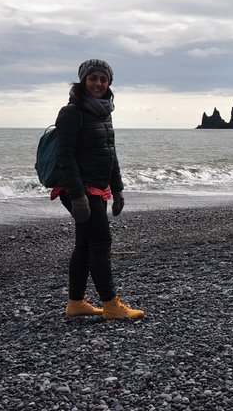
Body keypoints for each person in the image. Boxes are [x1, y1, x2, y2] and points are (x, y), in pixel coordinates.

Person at [50, 59, 144, 320]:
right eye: (93, 79)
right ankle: (111, 304)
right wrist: (78, 196)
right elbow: (64, 155)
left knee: (85, 245)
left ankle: (76, 302)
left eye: (103, 79)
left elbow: (110, 154)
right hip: (80, 190)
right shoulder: (71, 113)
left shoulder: (104, 113)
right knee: (101, 243)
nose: (98, 84)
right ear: (83, 81)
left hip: (98, 188)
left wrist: (118, 189)